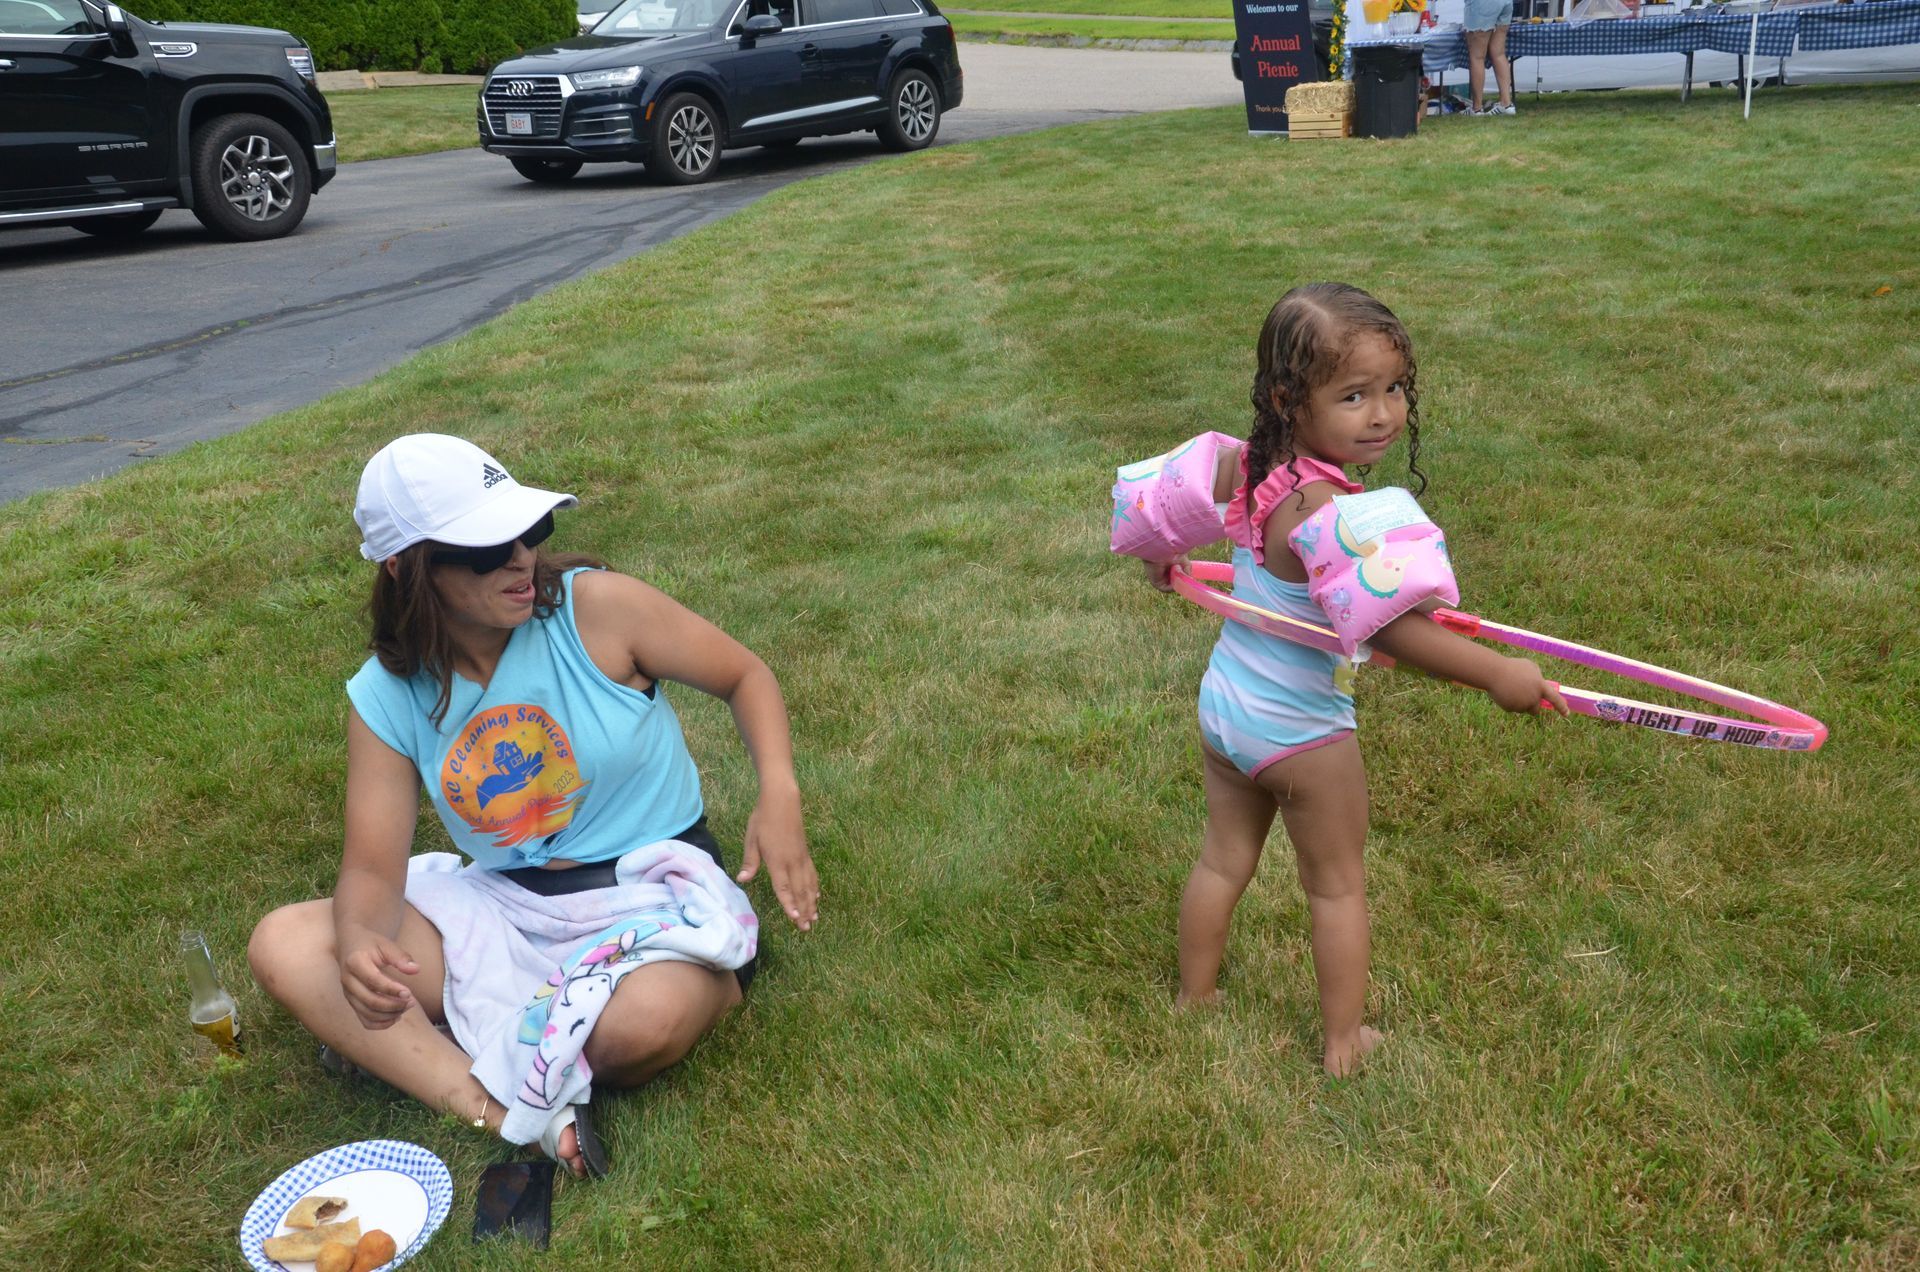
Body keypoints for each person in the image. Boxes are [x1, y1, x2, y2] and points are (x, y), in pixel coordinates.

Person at [250, 434, 818, 1177]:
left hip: (651, 895)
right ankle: (512, 1115)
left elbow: (745, 676)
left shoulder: (599, 611)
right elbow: (372, 871)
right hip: (507, 909)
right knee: (287, 944)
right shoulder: (387, 694)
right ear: (406, 566)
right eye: (488, 548)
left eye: (529, 532)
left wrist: (779, 791)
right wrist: (359, 940)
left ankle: (448, 1038)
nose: (521, 558)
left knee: (634, 1030)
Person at [1140, 283, 1565, 1076]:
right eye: (1353, 396)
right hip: (1302, 734)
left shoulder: (1252, 465)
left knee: (1224, 858)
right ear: (1288, 399)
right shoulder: (1326, 511)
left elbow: (1157, 511)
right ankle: (1343, 1043)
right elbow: (1393, 627)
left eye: (1394, 389)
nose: (1382, 414)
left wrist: (1158, 565)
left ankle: (1195, 996)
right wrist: (1499, 674)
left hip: (1227, 705)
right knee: (1336, 887)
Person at [1463, 0, 1517, 116]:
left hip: (1482, 5)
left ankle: (1477, 109)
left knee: (1477, 56)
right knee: (1499, 53)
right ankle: (1506, 104)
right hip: (1505, 3)